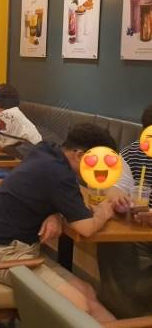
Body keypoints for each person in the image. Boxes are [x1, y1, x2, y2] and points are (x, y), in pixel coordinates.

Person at [0, 123, 117, 323]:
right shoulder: (60, 176)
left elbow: (46, 191)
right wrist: (104, 212)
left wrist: (56, 212)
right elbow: (86, 228)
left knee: (87, 291)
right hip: (0, 255)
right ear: (80, 156)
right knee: (79, 305)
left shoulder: (46, 152)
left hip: (13, 249)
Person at [98, 105, 152, 318]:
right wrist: (116, 194)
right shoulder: (133, 152)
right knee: (110, 239)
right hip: (136, 227)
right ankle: (121, 313)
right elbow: (116, 180)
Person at [0, 83, 42, 178]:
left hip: (32, 167)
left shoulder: (7, 116)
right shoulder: (10, 113)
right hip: (28, 162)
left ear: (0, 101)